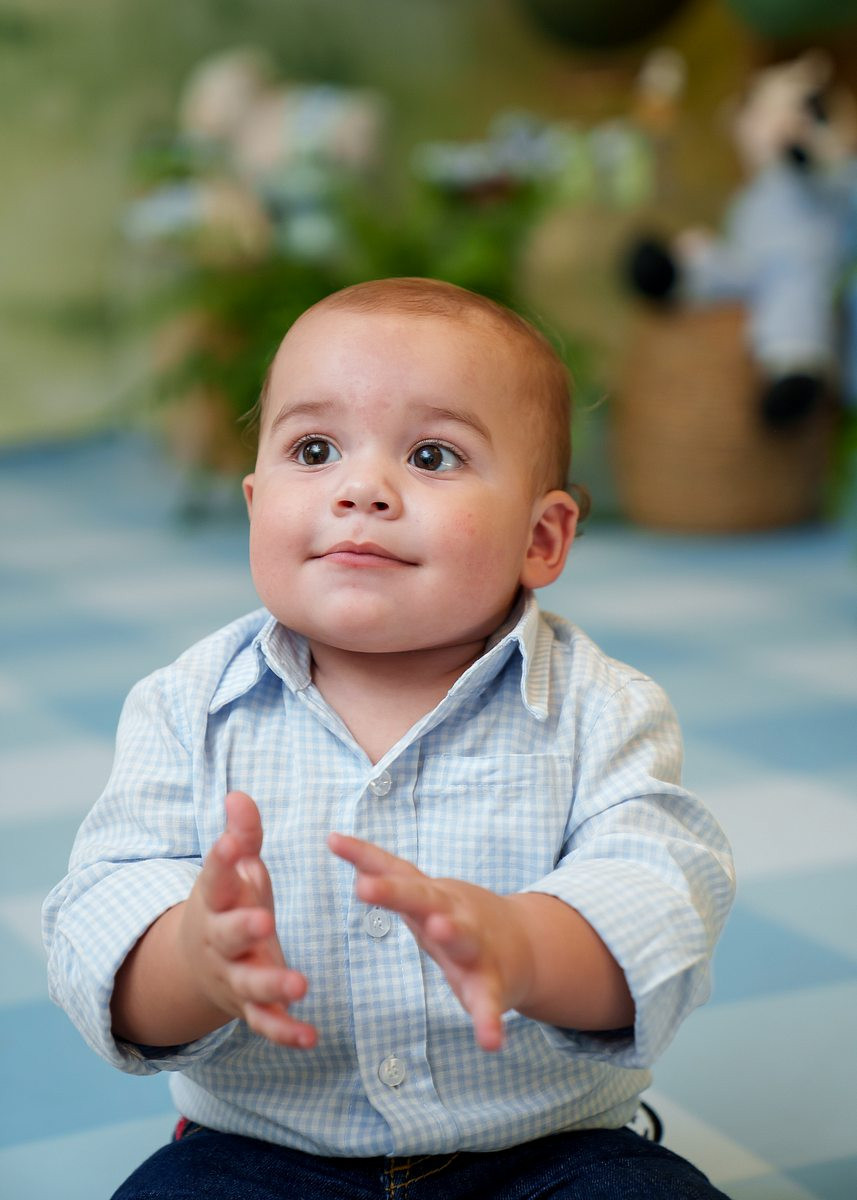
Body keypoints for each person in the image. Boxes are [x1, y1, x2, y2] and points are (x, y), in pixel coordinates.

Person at [43, 277, 735, 1199]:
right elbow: (99, 914)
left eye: (432, 455)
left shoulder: (601, 709)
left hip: (547, 1150)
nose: (361, 488)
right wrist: (192, 960)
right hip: (260, 1152)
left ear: (542, 537)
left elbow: (661, 897)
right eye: (314, 450)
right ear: (254, 503)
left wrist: (527, 946)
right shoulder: (187, 707)